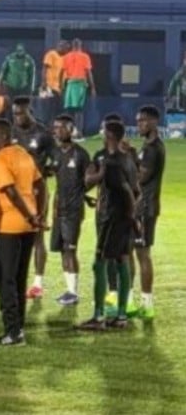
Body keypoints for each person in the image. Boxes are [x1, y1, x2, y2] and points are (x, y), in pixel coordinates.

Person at [0, 119, 46, 346]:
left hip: (8, 227)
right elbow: (41, 186)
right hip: (27, 229)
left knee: (5, 279)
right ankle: (18, 327)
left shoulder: (0, 158)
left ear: (3, 137)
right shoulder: (23, 154)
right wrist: (38, 215)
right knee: (19, 279)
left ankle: (13, 332)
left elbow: (9, 190)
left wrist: (31, 216)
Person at [78, 121, 139, 330]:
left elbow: (126, 192)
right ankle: (121, 316)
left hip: (113, 218)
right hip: (124, 220)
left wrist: (131, 217)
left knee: (99, 263)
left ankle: (98, 317)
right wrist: (133, 219)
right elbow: (136, 189)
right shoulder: (128, 159)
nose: (102, 135)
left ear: (110, 136)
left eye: (104, 132)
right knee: (122, 261)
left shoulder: (111, 163)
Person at [11, 96, 55, 299]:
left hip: (36, 191)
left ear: (30, 111)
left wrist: (46, 170)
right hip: (14, 192)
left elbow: (56, 159)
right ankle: (15, 278)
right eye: (15, 113)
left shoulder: (43, 133)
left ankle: (37, 283)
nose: (18, 117)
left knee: (37, 234)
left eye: (22, 112)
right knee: (14, 235)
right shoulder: (11, 133)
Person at [48, 114, 91, 305]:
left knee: (70, 250)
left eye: (62, 127)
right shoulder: (56, 153)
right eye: (56, 127)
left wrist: (81, 194)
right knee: (62, 250)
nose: (58, 130)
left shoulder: (80, 154)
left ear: (71, 129)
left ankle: (73, 292)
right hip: (58, 210)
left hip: (73, 211)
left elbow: (90, 178)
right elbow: (51, 172)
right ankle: (68, 289)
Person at [133, 105, 165, 320]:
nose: (139, 124)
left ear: (153, 122)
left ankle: (147, 304)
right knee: (137, 253)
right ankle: (141, 301)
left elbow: (141, 178)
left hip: (145, 208)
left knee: (143, 254)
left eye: (143, 120)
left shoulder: (153, 148)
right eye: (138, 121)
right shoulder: (148, 145)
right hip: (142, 206)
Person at [61, 38, 96, 140]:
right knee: (79, 110)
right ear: (80, 45)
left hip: (70, 84)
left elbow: (61, 73)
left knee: (69, 110)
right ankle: (78, 132)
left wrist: (61, 85)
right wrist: (93, 87)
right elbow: (88, 72)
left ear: (72, 46)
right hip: (80, 84)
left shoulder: (66, 57)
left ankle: (69, 132)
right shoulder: (85, 56)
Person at [39, 40, 69, 125]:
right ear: (60, 47)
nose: (66, 51)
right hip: (49, 87)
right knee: (48, 109)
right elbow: (44, 69)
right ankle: (46, 126)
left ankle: (54, 127)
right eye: (65, 48)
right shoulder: (51, 54)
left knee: (58, 110)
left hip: (60, 88)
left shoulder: (65, 58)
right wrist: (43, 82)